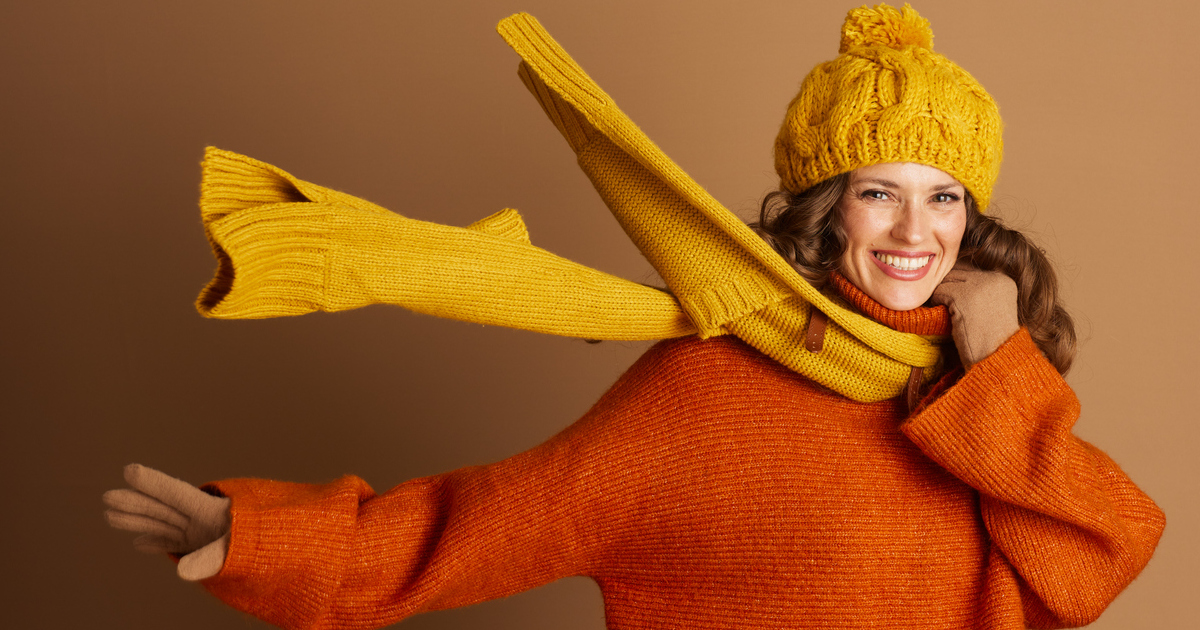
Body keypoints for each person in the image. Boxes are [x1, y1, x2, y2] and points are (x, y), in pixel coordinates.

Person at [104, 5, 1164, 629]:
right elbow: (472, 528)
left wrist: (996, 365)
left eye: (945, 198)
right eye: (877, 190)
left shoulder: (977, 397)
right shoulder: (701, 393)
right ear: (822, 206)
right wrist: (258, 537)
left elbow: (1104, 554)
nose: (913, 230)